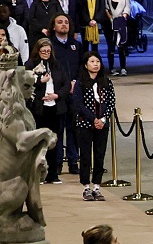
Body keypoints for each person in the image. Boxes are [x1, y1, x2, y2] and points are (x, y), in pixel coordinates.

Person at [69, 52, 114, 200]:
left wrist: (103, 119)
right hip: (84, 124)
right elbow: (78, 104)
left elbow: (111, 103)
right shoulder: (80, 83)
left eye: (98, 61)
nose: (95, 64)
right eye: (92, 61)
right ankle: (86, 187)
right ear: (85, 64)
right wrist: (93, 118)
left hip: (102, 124)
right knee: (86, 155)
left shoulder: (106, 82)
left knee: (100, 155)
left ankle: (97, 186)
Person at [27, 39, 66, 183]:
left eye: (48, 51)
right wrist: (39, 82)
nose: (46, 54)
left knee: (54, 141)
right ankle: (38, 174)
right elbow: (25, 83)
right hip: (38, 109)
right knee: (39, 142)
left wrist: (57, 95)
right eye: (43, 51)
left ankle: (53, 174)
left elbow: (66, 83)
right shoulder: (30, 65)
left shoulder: (57, 65)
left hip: (55, 108)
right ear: (37, 51)